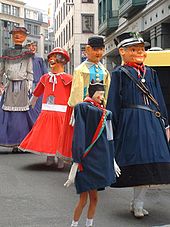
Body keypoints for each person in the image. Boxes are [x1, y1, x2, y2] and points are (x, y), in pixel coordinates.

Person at [107, 32, 170, 218]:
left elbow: (159, 98)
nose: (139, 53)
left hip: (151, 121)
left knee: (149, 165)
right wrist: (113, 124)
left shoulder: (151, 72)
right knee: (137, 162)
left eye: (141, 49)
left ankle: (138, 202)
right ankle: (137, 203)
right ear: (122, 52)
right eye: (133, 49)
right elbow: (113, 102)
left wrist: (164, 121)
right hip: (131, 122)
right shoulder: (119, 73)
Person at [64, 81, 118, 227]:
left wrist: (112, 159)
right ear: (92, 94)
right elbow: (79, 135)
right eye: (99, 94)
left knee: (94, 198)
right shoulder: (83, 108)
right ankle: (74, 225)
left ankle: (89, 224)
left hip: (99, 160)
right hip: (86, 160)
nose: (101, 97)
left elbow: (110, 138)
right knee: (83, 199)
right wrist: (76, 162)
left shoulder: (105, 113)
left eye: (103, 94)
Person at [58, 36, 111, 161]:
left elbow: (107, 90)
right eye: (95, 49)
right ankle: (83, 161)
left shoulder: (105, 71)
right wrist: (77, 109)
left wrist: (106, 106)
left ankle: (95, 160)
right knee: (83, 135)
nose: (98, 53)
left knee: (97, 134)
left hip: (99, 109)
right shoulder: (80, 70)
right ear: (87, 50)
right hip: (85, 109)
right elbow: (76, 91)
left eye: (101, 49)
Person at [19, 47, 72, 168]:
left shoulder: (68, 79)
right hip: (47, 111)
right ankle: (50, 156)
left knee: (60, 136)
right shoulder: (45, 78)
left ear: (62, 61)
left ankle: (60, 158)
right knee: (48, 135)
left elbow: (73, 94)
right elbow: (37, 91)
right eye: (51, 58)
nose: (52, 60)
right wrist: (32, 101)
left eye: (55, 58)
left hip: (62, 111)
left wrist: (75, 106)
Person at [0, 26, 35, 151]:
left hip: (23, 87)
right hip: (9, 87)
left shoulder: (27, 53)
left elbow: (30, 70)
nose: (17, 36)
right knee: (7, 115)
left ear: (25, 37)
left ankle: (23, 142)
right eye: (15, 34)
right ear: (11, 36)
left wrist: (30, 84)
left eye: (20, 34)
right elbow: (1, 69)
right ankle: (11, 142)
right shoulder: (6, 52)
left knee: (22, 115)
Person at [26, 41, 48, 117]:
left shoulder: (39, 60)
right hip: (26, 88)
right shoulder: (24, 60)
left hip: (38, 88)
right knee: (27, 109)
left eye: (34, 45)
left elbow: (45, 75)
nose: (32, 48)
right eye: (30, 46)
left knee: (38, 109)